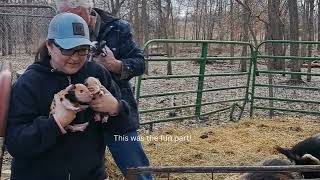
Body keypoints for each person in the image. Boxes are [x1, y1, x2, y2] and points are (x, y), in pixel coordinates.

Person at [5, 12, 130, 180]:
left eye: (82, 50)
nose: (76, 57)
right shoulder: (30, 83)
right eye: (67, 49)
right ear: (50, 46)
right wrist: (55, 123)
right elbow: (15, 144)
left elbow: (123, 127)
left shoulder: (97, 74)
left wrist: (116, 108)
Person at [55, 0, 152, 179]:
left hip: (115, 108)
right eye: (63, 14)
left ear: (88, 9)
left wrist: (115, 65)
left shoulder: (117, 28)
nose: (70, 19)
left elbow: (140, 63)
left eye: (75, 13)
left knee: (135, 167)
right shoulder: (60, 29)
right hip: (79, 114)